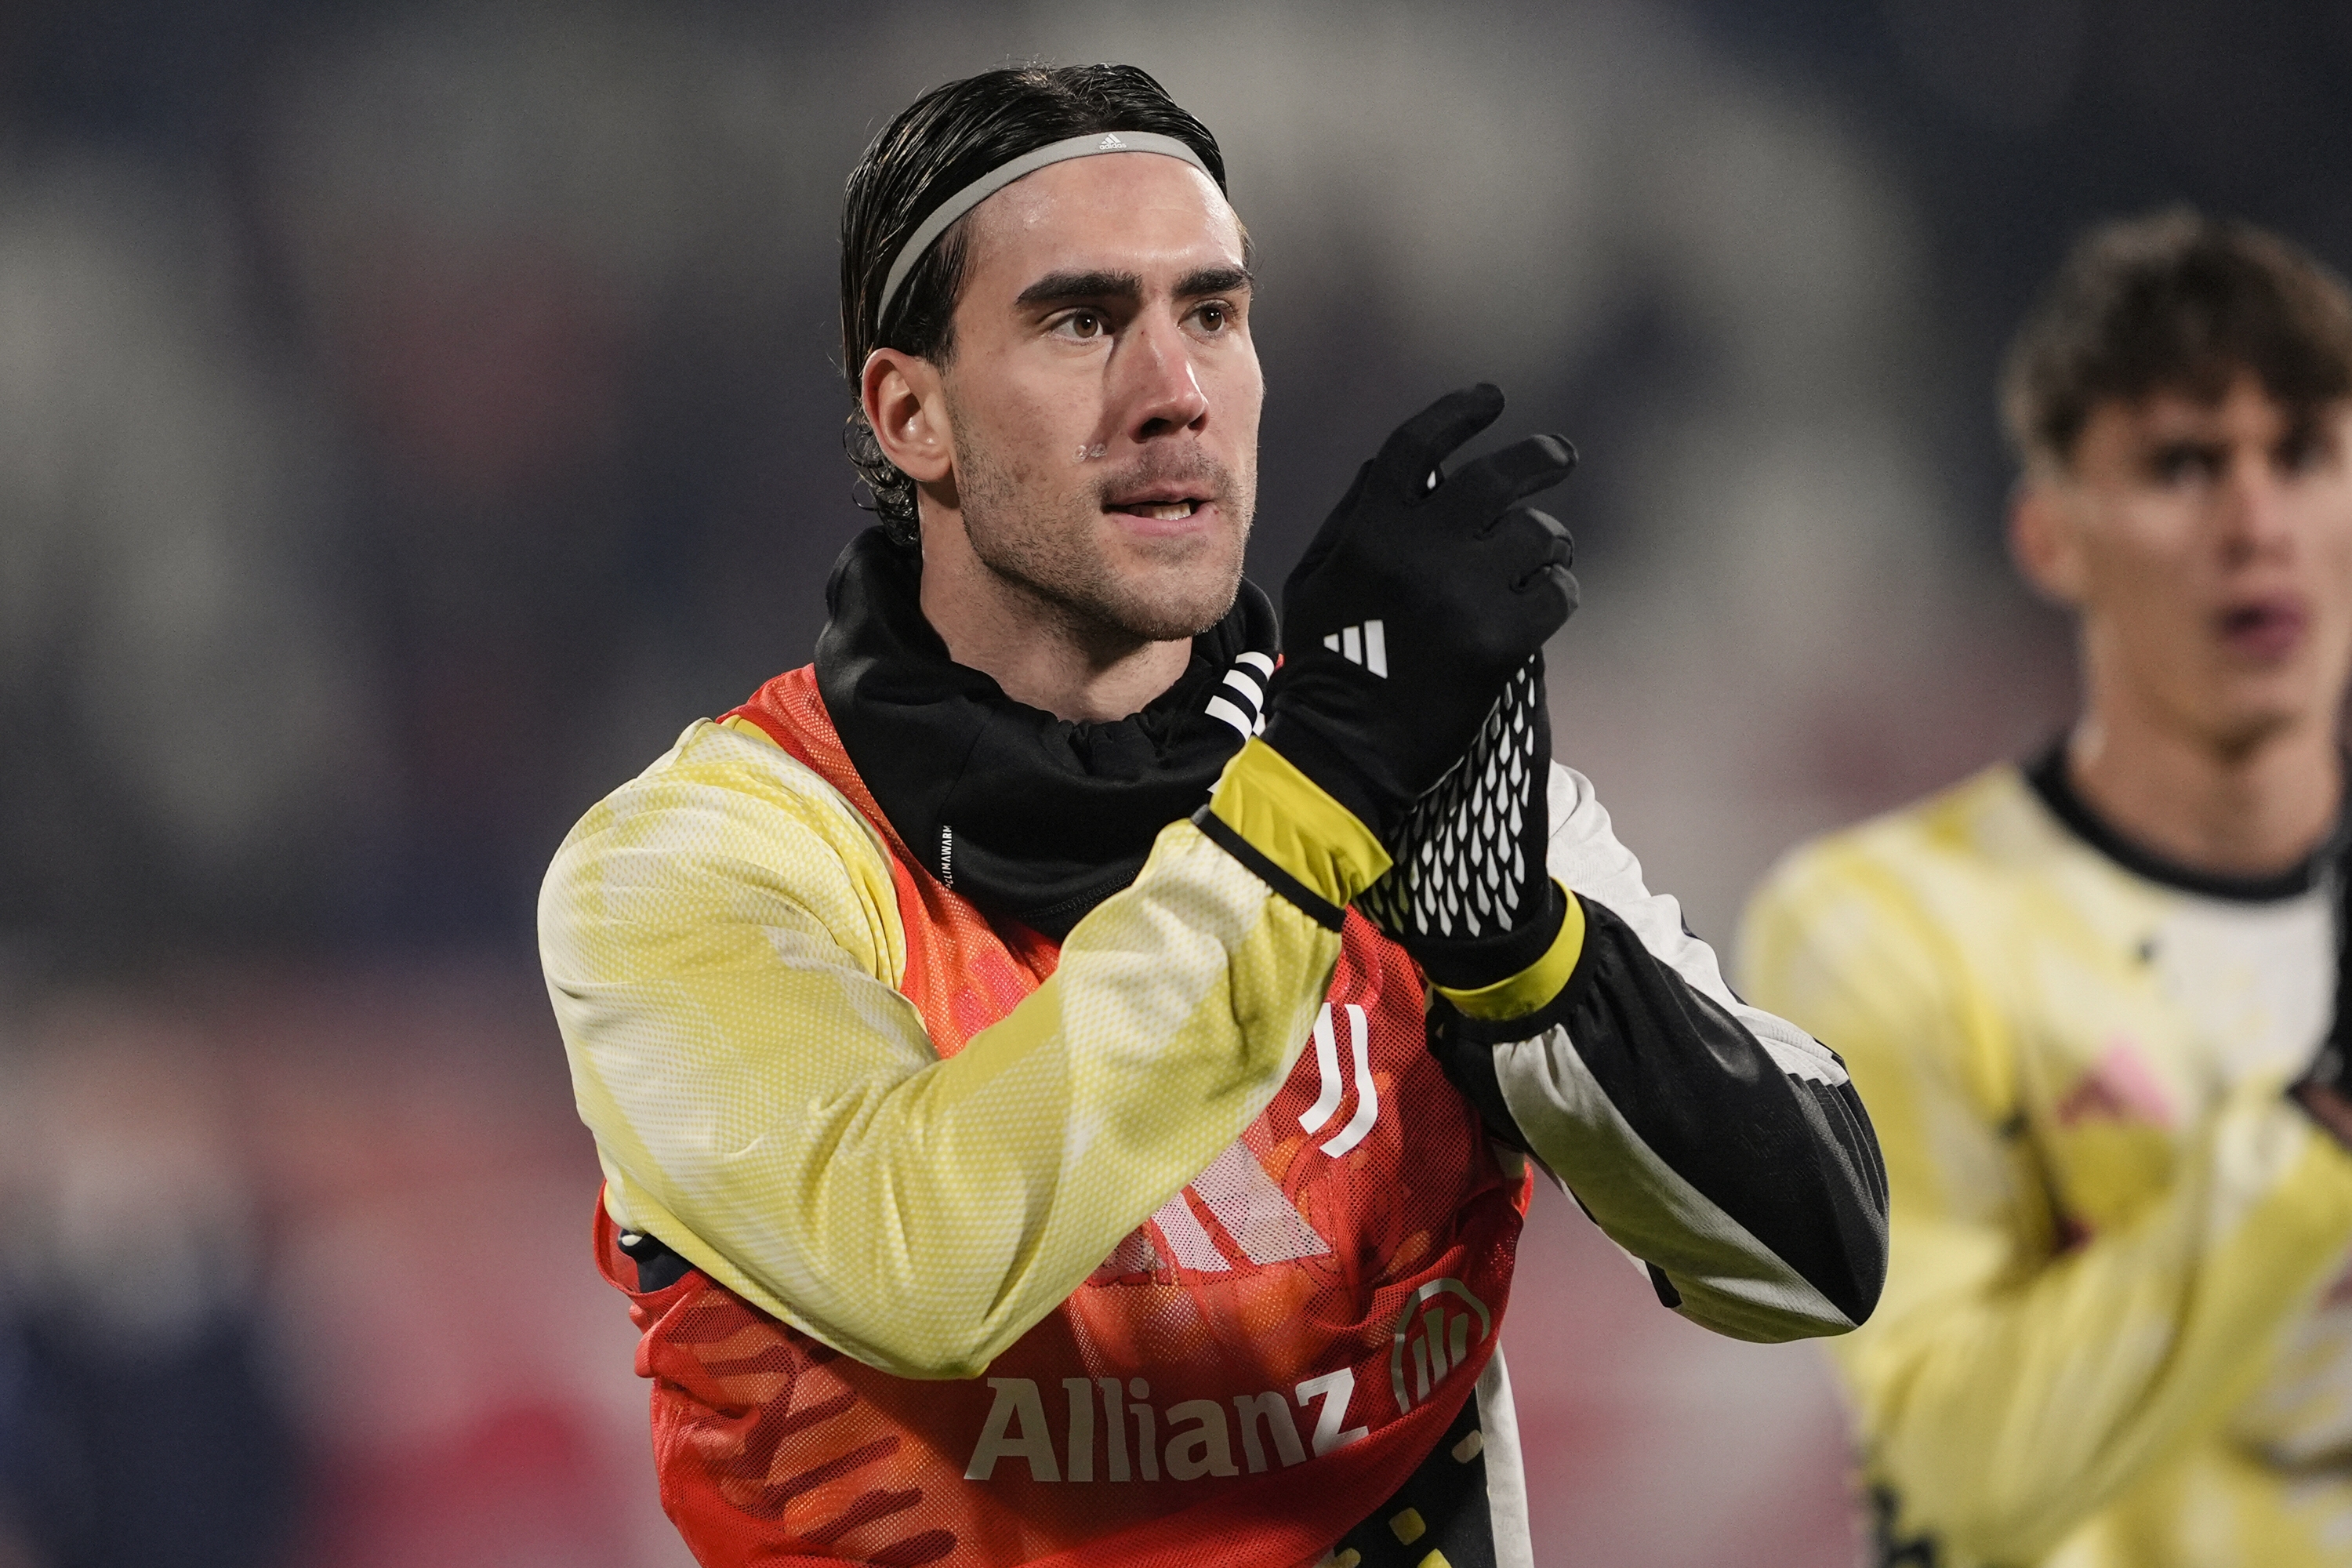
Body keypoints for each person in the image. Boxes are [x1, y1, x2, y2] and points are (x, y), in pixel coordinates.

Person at [542, 63, 1886, 1568]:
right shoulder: (699, 865)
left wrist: (1525, 954)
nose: (1171, 391)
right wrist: (1315, 799)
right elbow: (923, 1263)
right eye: (1079, 319)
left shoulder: (1424, 803)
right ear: (909, 412)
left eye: (1213, 314)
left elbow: (1815, 1261)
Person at [1739, 208, 2352, 1568]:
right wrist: (2316, 1129)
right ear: (2051, 535)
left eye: (2303, 455)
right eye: (2184, 466)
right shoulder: (1885, 928)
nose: (2256, 523)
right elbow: (1959, 1473)